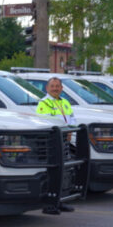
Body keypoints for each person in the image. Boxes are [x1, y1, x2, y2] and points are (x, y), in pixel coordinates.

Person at [33, 76, 76, 213]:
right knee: (52, 173)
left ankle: (60, 200)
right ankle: (49, 205)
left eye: (58, 86)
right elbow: (45, 122)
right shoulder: (43, 103)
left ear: (62, 88)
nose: (55, 88)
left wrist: (70, 130)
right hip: (52, 143)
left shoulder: (65, 102)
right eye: (52, 86)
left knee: (64, 172)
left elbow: (72, 119)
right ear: (47, 88)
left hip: (64, 141)